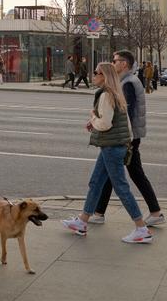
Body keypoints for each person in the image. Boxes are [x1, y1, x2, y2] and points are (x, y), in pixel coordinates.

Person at [62, 62, 153, 244]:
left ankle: (141, 228)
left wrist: (93, 118)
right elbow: (125, 123)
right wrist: (95, 120)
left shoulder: (105, 95)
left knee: (121, 187)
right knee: (96, 182)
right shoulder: (116, 94)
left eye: (96, 73)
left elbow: (105, 124)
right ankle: (82, 221)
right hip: (113, 146)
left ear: (104, 76)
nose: (93, 76)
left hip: (111, 147)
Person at [90, 50, 164, 227]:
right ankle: (99, 212)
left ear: (124, 64)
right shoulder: (125, 81)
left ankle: (154, 212)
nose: (113, 63)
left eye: (115, 61)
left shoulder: (127, 83)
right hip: (128, 136)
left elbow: (125, 113)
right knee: (110, 173)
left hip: (127, 137)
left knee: (130, 175)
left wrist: (121, 137)